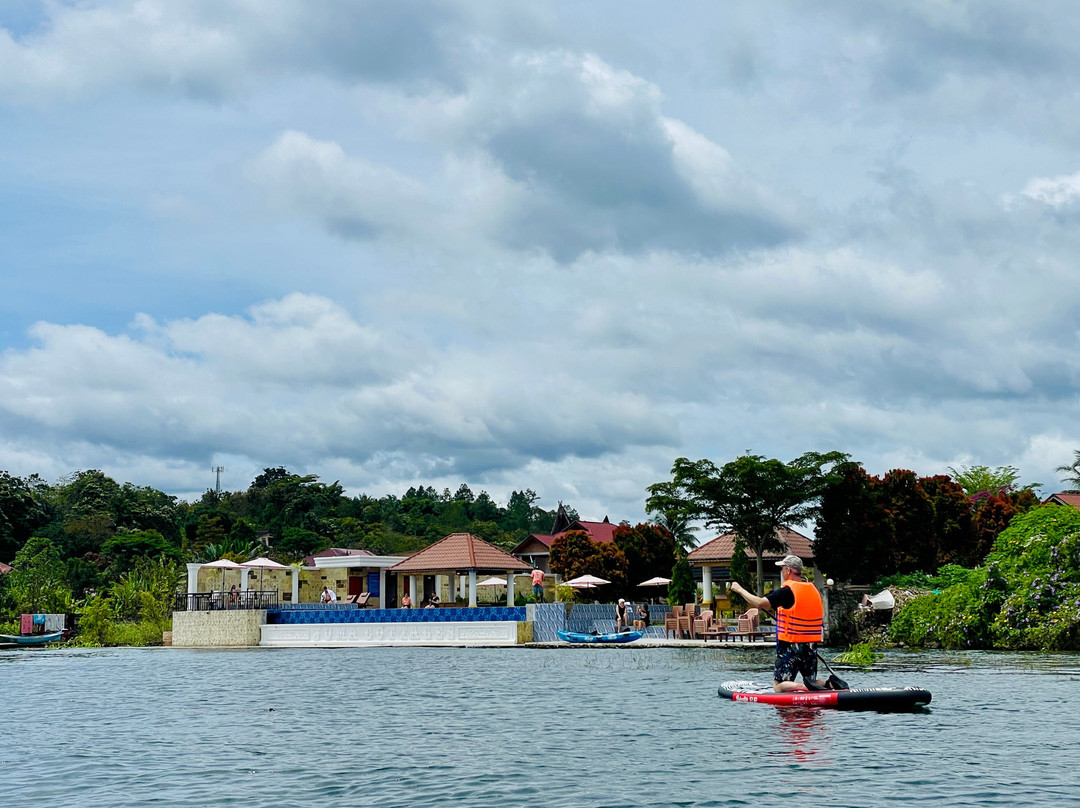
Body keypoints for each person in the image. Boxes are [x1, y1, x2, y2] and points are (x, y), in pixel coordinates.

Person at [728, 554, 836, 693]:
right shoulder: (812, 590)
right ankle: (830, 684)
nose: (781, 572)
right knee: (812, 680)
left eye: (782, 568)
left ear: (788, 570)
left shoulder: (786, 591)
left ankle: (804, 687)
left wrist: (739, 589)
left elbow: (760, 603)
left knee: (779, 685)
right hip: (810, 644)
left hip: (790, 644)